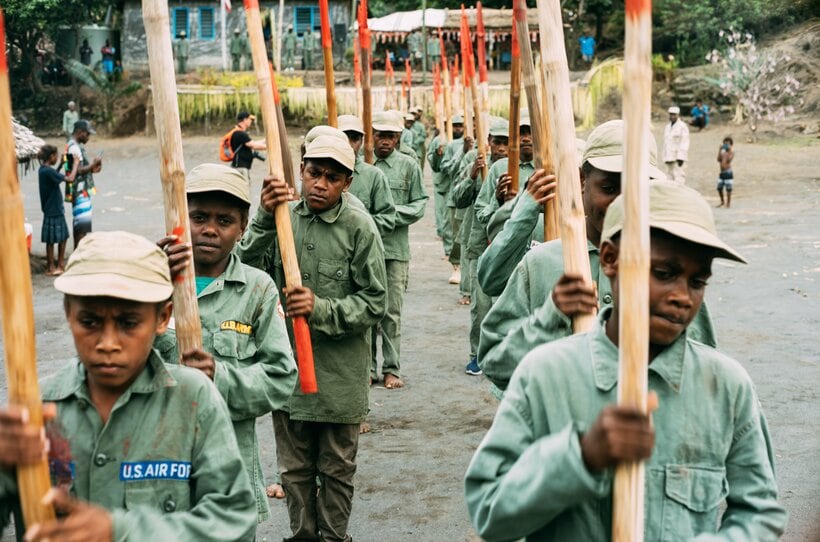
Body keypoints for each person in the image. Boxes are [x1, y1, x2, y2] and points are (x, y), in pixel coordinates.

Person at [465, 182, 787, 541]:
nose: (682, 297)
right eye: (664, 273)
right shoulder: (545, 375)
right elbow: (489, 511)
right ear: (609, 260)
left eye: (697, 282)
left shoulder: (726, 387)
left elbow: (761, 512)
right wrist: (580, 458)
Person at [0, 231, 258, 541]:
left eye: (128, 323)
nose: (108, 343)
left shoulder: (193, 399)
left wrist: (121, 531)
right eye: (90, 322)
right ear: (69, 314)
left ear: (162, 318)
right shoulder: (35, 410)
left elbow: (235, 520)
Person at [478, 120, 717, 394]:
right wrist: (549, 321)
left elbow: (700, 371)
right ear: (582, 181)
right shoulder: (542, 264)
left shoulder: (673, 271)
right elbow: (495, 362)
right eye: (609, 188)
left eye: (637, 190)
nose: (623, 203)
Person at [237, 135, 387, 542]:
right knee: (294, 471)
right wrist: (266, 218)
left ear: (347, 183)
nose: (320, 183)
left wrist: (320, 309)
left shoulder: (360, 228)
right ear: (301, 170)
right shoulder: (283, 219)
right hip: (287, 373)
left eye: (332, 177)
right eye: (314, 173)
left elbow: (375, 303)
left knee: (337, 469)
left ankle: (334, 537)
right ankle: (302, 536)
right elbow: (243, 269)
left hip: (340, 377)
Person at [153, 164, 298, 525]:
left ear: (243, 228)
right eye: (198, 216)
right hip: (156, 467)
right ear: (180, 216)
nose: (209, 230)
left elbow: (281, 377)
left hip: (228, 471)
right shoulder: (150, 280)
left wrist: (220, 375)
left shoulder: (258, 289)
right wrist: (148, 279)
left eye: (224, 220)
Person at [371, 110, 428, 389]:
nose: (384, 141)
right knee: (366, 312)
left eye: (390, 136)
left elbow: (419, 205)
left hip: (395, 251)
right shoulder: (360, 168)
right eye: (380, 135)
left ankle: (391, 368)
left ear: (398, 138)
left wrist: (389, 216)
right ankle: (368, 368)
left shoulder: (408, 166)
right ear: (372, 136)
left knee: (392, 312)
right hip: (363, 251)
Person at [450, 117, 509, 375]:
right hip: (479, 244)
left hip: (509, 247)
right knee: (481, 305)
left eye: (507, 143)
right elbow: (458, 199)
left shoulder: (515, 168)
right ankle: (478, 353)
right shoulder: (477, 162)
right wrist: (472, 176)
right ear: (489, 142)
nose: (502, 148)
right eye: (497, 142)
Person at [338, 114, 397, 238]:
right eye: (343, 138)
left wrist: (355, 226)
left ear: (361, 141)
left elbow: (387, 220)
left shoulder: (374, 176)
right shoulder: (318, 174)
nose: (349, 144)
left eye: (354, 139)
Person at [427, 114, 465, 261]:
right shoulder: (440, 140)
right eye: (455, 126)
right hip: (444, 186)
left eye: (460, 126)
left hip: (460, 187)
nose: (458, 129)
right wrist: (438, 153)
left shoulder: (467, 142)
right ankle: (449, 251)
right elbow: (435, 164)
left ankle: (455, 254)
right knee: (445, 220)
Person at [64, 120, 102, 249]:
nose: (88, 137)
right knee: (82, 227)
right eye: (87, 134)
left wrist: (92, 168)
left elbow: (77, 169)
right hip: (79, 192)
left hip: (80, 191)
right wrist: (92, 165)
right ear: (80, 132)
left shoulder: (75, 145)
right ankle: (80, 254)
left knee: (80, 225)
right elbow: (76, 169)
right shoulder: (73, 147)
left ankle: (77, 252)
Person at [38, 144, 70, 276]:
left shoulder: (43, 170)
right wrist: (76, 165)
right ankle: (59, 264)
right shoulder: (48, 171)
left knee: (50, 240)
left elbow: (54, 178)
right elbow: (70, 179)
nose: (57, 158)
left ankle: (51, 266)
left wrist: (61, 165)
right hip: (55, 208)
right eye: (56, 156)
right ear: (51, 156)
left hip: (49, 208)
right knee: (62, 237)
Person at [230, 111, 267, 181]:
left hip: (240, 167)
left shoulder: (239, 132)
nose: (251, 121)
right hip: (240, 168)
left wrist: (267, 140)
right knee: (243, 189)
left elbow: (253, 143)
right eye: (250, 119)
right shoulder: (239, 133)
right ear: (245, 120)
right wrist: (271, 147)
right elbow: (254, 146)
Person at [663, 105, 690, 183]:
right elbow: (666, 143)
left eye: (674, 114)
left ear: (678, 115)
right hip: (669, 157)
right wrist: (665, 157)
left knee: (679, 178)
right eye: (670, 114)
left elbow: (684, 142)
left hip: (678, 158)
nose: (672, 116)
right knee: (669, 179)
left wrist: (681, 157)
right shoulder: (667, 127)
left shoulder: (682, 126)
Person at [717, 136, 735, 208]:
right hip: (722, 172)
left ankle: (728, 203)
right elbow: (718, 159)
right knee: (719, 188)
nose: (726, 145)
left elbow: (729, 160)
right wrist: (719, 150)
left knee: (728, 189)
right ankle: (722, 201)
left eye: (728, 144)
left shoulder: (731, 152)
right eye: (725, 144)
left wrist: (729, 151)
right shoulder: (722, 152)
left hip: (728, 172)